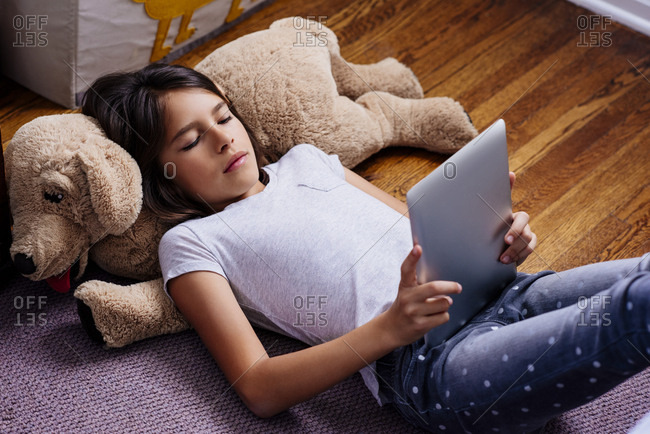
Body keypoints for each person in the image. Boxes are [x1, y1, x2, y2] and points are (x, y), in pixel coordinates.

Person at [82, 63, 650, 433]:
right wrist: (390, 330)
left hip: (504, 293)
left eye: (224, 116)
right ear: (168, 174)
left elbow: (421, 231)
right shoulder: (191, 243)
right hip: (430, 365)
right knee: (633, 311)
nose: (225, 137)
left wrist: (498, 239)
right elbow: (257, 388)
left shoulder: (307, 159)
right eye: (192, 140)